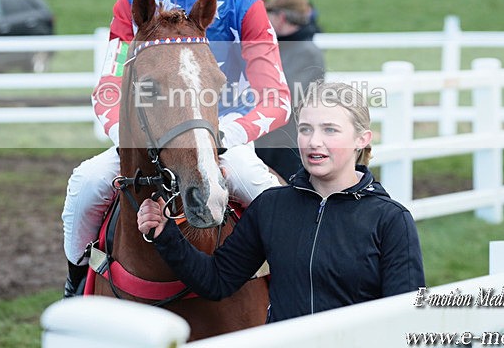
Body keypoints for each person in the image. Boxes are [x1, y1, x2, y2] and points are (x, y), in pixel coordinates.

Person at [61, 0, 291, 296]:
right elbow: (109, 87)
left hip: (223, 139)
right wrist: (125, 135)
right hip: (148, 138)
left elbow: (277, 98)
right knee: (85, 184)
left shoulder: (243, 1)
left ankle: (291, 297)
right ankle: (76, 286)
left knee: (266, 195)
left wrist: (225, 135)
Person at [137, 81, 425, 323]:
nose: (314, 142)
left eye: (330, 130)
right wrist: (166, 235)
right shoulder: (271, 207)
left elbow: (405, 321)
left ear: (362, 139)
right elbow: (217, 280)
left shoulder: (390, 220)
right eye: (306, 129)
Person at [255, 0, 325, 180]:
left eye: (269, 15)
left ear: (282, 17)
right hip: (268, 139)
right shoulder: (279, 47)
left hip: (286, 146)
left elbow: (290, 96)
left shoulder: (308, 52)